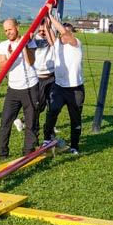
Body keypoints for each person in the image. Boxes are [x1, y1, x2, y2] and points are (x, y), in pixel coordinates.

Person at [42, 11, 85, 154]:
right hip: (59, 87)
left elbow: (64, 33)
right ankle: (47, 138)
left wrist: (51, 16)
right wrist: (47, 20)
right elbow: (49, 32)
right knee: (52, 111)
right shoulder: (57, 44)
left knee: (75, 119)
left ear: (71, 34)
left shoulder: (76, 44)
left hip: (75, 89)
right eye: (61, 35)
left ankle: (74, 146)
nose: (63, 36)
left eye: (66, 33)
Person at [0, 18, 39, 158]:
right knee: (5, 122)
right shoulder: (3, 46)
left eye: (10, 29)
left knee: (31, 121)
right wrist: (11, 55)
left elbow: (31, 61)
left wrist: (23, 45)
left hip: (30, 86)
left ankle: (28, 152)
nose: (8, 32)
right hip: (13, 89)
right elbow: (2, 68)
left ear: (17, 27)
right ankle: (3, 153)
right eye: (5, 30)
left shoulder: (29, 41)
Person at [32, 18, 56, 134]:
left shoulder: (52, 38)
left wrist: (48, 20)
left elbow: (53, 39)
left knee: (52, 106)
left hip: (51, 77)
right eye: (40, 31)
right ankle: (34, 130)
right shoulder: (34, 40)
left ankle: (50, 132)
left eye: (44, 31)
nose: (42, 33)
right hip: (38, 77)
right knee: (38, 106)